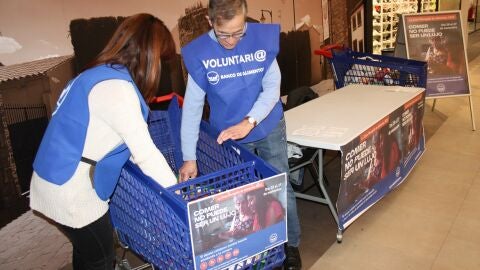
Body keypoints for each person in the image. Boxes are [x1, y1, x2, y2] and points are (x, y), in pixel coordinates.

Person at [29, 13, 177, 270]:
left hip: (53, 179)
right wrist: (179, 197)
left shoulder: (97, 76)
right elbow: (145, 154)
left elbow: (110, 137)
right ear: (149, 55)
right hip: (73, 192)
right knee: (100, 256)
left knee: (87, 252)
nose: (160, 68)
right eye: (161, 60)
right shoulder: (117, 89)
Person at [179, 1, 302, 269]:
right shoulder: (200, 53)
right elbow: (191, 109)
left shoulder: (260, 41)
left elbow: (272, 89)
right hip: (229, 135)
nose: (232, 40)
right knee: (241, 197)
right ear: (211, 23)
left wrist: (250, 121)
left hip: (267, 126)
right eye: (224, 34)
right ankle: (254, 247)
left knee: (280, 188)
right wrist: (189, 157)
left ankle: (290, 246)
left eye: (239, 32)